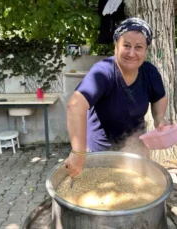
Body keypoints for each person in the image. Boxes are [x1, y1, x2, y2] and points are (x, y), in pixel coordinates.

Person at [65, 18, 168, 177]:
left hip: (135, 149)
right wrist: (78, 152)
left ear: (146, 50)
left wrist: (159, 119)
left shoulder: (150, 72)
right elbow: (75, 104)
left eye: (139, 47)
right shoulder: (103, 71)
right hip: (100, 153)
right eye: (126, 45)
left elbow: (159, 96)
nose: (132, 53)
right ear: (116, 47)